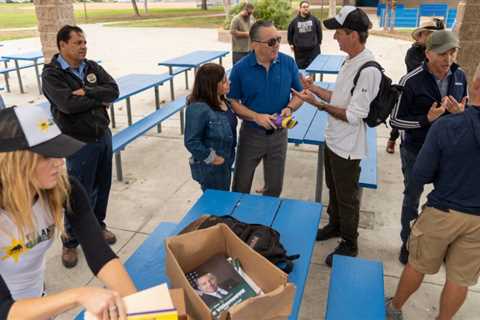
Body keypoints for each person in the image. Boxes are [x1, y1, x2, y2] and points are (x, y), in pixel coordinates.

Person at [0, 104, 136, 319]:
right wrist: (78, 295)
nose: (60, 162)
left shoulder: (64, 188)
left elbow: (100, 254)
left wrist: (138, 307)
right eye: (46, 156)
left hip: (36, 303)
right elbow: (4, 309)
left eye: (59, 151)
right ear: (15, 162)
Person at [385, 63, 480, 320]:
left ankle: (394, 308)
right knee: (459, 278)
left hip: (443, 210)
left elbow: (420, 175)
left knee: (418, 264)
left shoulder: (447, 126)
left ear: (474, 85)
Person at [292, 6, 381, 267]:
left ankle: (350, 242)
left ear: (353, 35)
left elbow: (354, 115)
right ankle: (334, 225)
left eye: (339, 33)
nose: (334, 38)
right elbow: (339, 98)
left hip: (348, 146)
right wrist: (314, 89)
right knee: (333, 188)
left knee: (347, 196)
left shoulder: (368, 69)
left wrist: (316, 105)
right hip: (333, 139)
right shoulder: (350, 61)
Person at [42, 25, 119, 268]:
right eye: (77, 43)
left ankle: (98, 227)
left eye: (84, 42)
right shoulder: (52, 74)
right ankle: (71, 241)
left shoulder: (91, 67)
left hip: (102, 135)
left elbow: (114, 90)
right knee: (77, 192)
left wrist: (86, 91)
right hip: (77, 141)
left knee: (102, 185)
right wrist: (98, 100)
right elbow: (66, 105)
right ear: (62, 45)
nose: (83, 46)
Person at [390, 30, 467, 265]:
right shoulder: (410, 80)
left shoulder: (460, 76)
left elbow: (467, 112)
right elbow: (394, 120)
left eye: (452, 52)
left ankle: (436, 244)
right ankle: (408, 242)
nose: (448, 58)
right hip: (416, 151)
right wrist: (426, 120)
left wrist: (460, 115)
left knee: (444, 201)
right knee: (412, 198)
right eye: (443, 53)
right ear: (428, 53)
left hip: (448, 154)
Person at [228, 20, 304, 197]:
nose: (277, 45)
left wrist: (290, 108)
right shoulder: (240, 69)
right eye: (271, 42)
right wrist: (256, 117)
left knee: (274, 189)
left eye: (278, 39)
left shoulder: (288, 63)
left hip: (279, 135)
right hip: (251, 135)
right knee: (240, 187)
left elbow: (300, 94)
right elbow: (233, 101)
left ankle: (263, 224)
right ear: (254, 45)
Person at [386, 18, 445, 154]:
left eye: (435, 35)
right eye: (428, 34)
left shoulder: (441, 53)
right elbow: (420, 71)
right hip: (412, 91)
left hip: (432, 93)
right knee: (403, 115)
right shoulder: (413, 52)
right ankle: (392, 139)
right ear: (420, 36)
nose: (432, 37)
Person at [184, 63, 237, 192]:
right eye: (224, 81)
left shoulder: (223, 100)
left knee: (222, 197)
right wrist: (213, 158)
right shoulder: (198, 108)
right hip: (211, 168)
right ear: (212, 86)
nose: (228, 82)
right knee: (217, 204)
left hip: (226, 162)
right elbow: (191, 141)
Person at [288, 0, 323, 69]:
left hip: (313, 50)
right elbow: (290, 33)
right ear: (300, 9)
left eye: (307, 7)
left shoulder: (314, 20)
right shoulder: (294, 21)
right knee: (301, 71)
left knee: (313, 69)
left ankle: (312, 80)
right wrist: (291, 44)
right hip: (300, 52)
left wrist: (319, 42)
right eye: (304, 7)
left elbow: (319, 31)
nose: (306, 8)